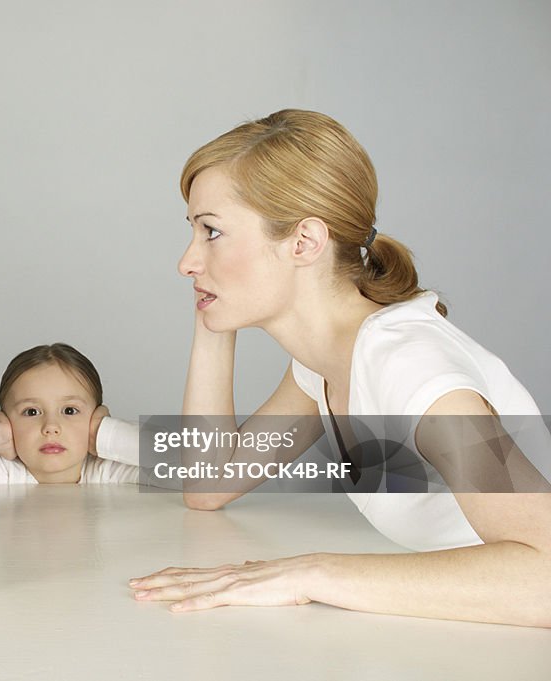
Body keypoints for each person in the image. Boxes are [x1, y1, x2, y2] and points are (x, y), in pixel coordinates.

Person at [128, 109, 551, 627]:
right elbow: (209, 483)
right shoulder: (322, 363)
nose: (186, 261)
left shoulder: (410, 369)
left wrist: (313, 574)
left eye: (211, 232)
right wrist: (214, 315)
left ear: (304, 242)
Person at [0, 343, 143, 485]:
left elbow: (181, 461)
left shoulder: (112, 473)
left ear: (98, 420)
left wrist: (108, 436)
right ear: (6, 423)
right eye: (31, 412)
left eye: (70, 411)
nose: (51, 426)